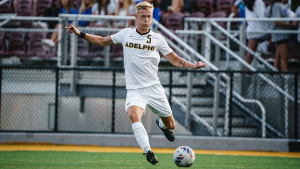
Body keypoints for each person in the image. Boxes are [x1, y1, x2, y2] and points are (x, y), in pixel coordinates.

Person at [65, 1, 206, 165]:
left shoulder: (157, 39)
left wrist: (193, 65)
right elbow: (102, 41)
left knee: (171, 125)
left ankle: (161, 123)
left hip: (154, 89)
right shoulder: (126, 34)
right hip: (135, 90)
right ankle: (148, 151)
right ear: (135, 17)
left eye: (149, 17)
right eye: (143, 17)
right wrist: (80, 33)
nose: (146, 20)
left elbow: (174, 60)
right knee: (133, 114)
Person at [267, 0, 295, 71]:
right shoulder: (276, 5)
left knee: (278, 56)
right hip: (280, 35)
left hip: (284, 34)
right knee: (284, 56)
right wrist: (289, 25)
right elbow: (276, 21)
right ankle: (285, 76)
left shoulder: (282, 6)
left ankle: (275, 74)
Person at [243, 0, 270, 71]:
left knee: (249, 54)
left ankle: (246, 73)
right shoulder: (259, 2)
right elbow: (262, 17)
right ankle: (264, 45)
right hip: (261, 30)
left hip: (251, 30)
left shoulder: (247, 2)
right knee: (277, 36)